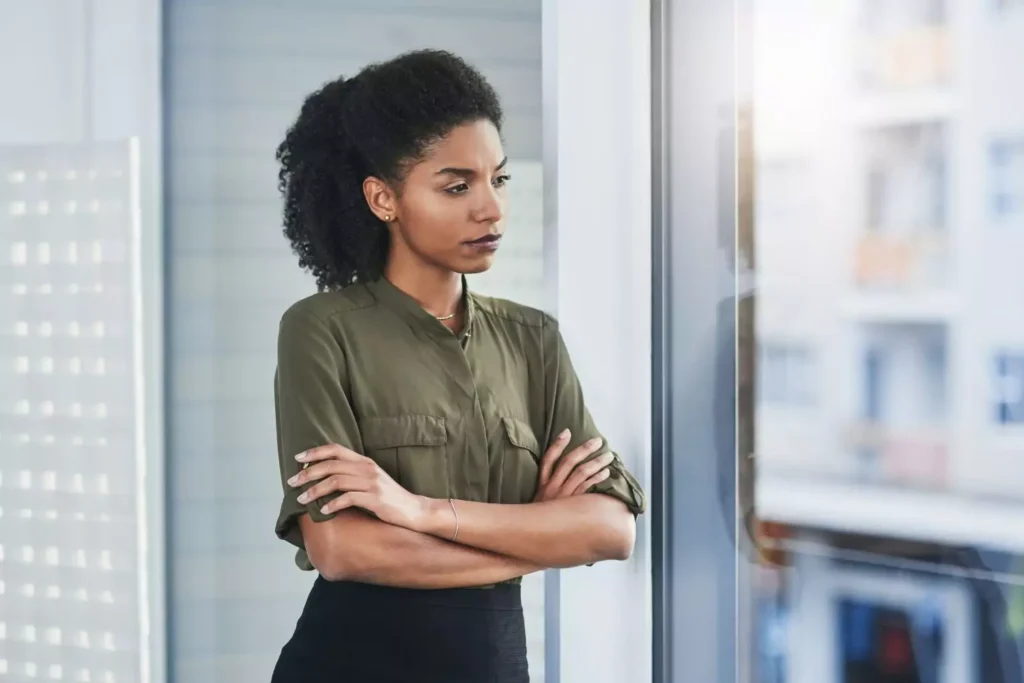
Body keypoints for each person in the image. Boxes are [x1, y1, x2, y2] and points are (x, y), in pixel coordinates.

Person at [270, 49, 646, 683]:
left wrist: (415, 511)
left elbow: (610, 530)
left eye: (498, 180)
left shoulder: (534, 341)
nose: (491, 209)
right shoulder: (320, 331)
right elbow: (342, 549)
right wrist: (536, 538)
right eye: (456, 186)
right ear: (383, 198)